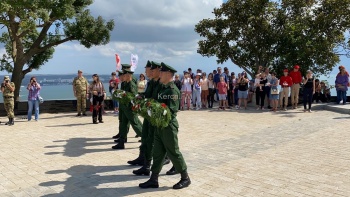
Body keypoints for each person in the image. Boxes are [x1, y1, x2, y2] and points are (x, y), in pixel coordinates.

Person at [139, 63, 191, 190]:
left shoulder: (172, 90)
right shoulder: (163, 87)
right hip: (159, 125)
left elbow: (171, 111)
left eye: (162, 72)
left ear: (168, 74)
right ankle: (153, 179)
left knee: (173, 152)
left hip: (168, 126)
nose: (159, 74)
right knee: (158, 153)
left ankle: (185, 178)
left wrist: (156, 110)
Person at [113, 65, 143, 149]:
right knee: (123, 124)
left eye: (124, 75)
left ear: (128, 76)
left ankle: (145, 138)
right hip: (124, 107)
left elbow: (134, 96)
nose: (122, 76)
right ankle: (121, 142)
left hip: (130, 108)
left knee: (135, 124)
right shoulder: (124, 83)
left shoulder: (131, 84)